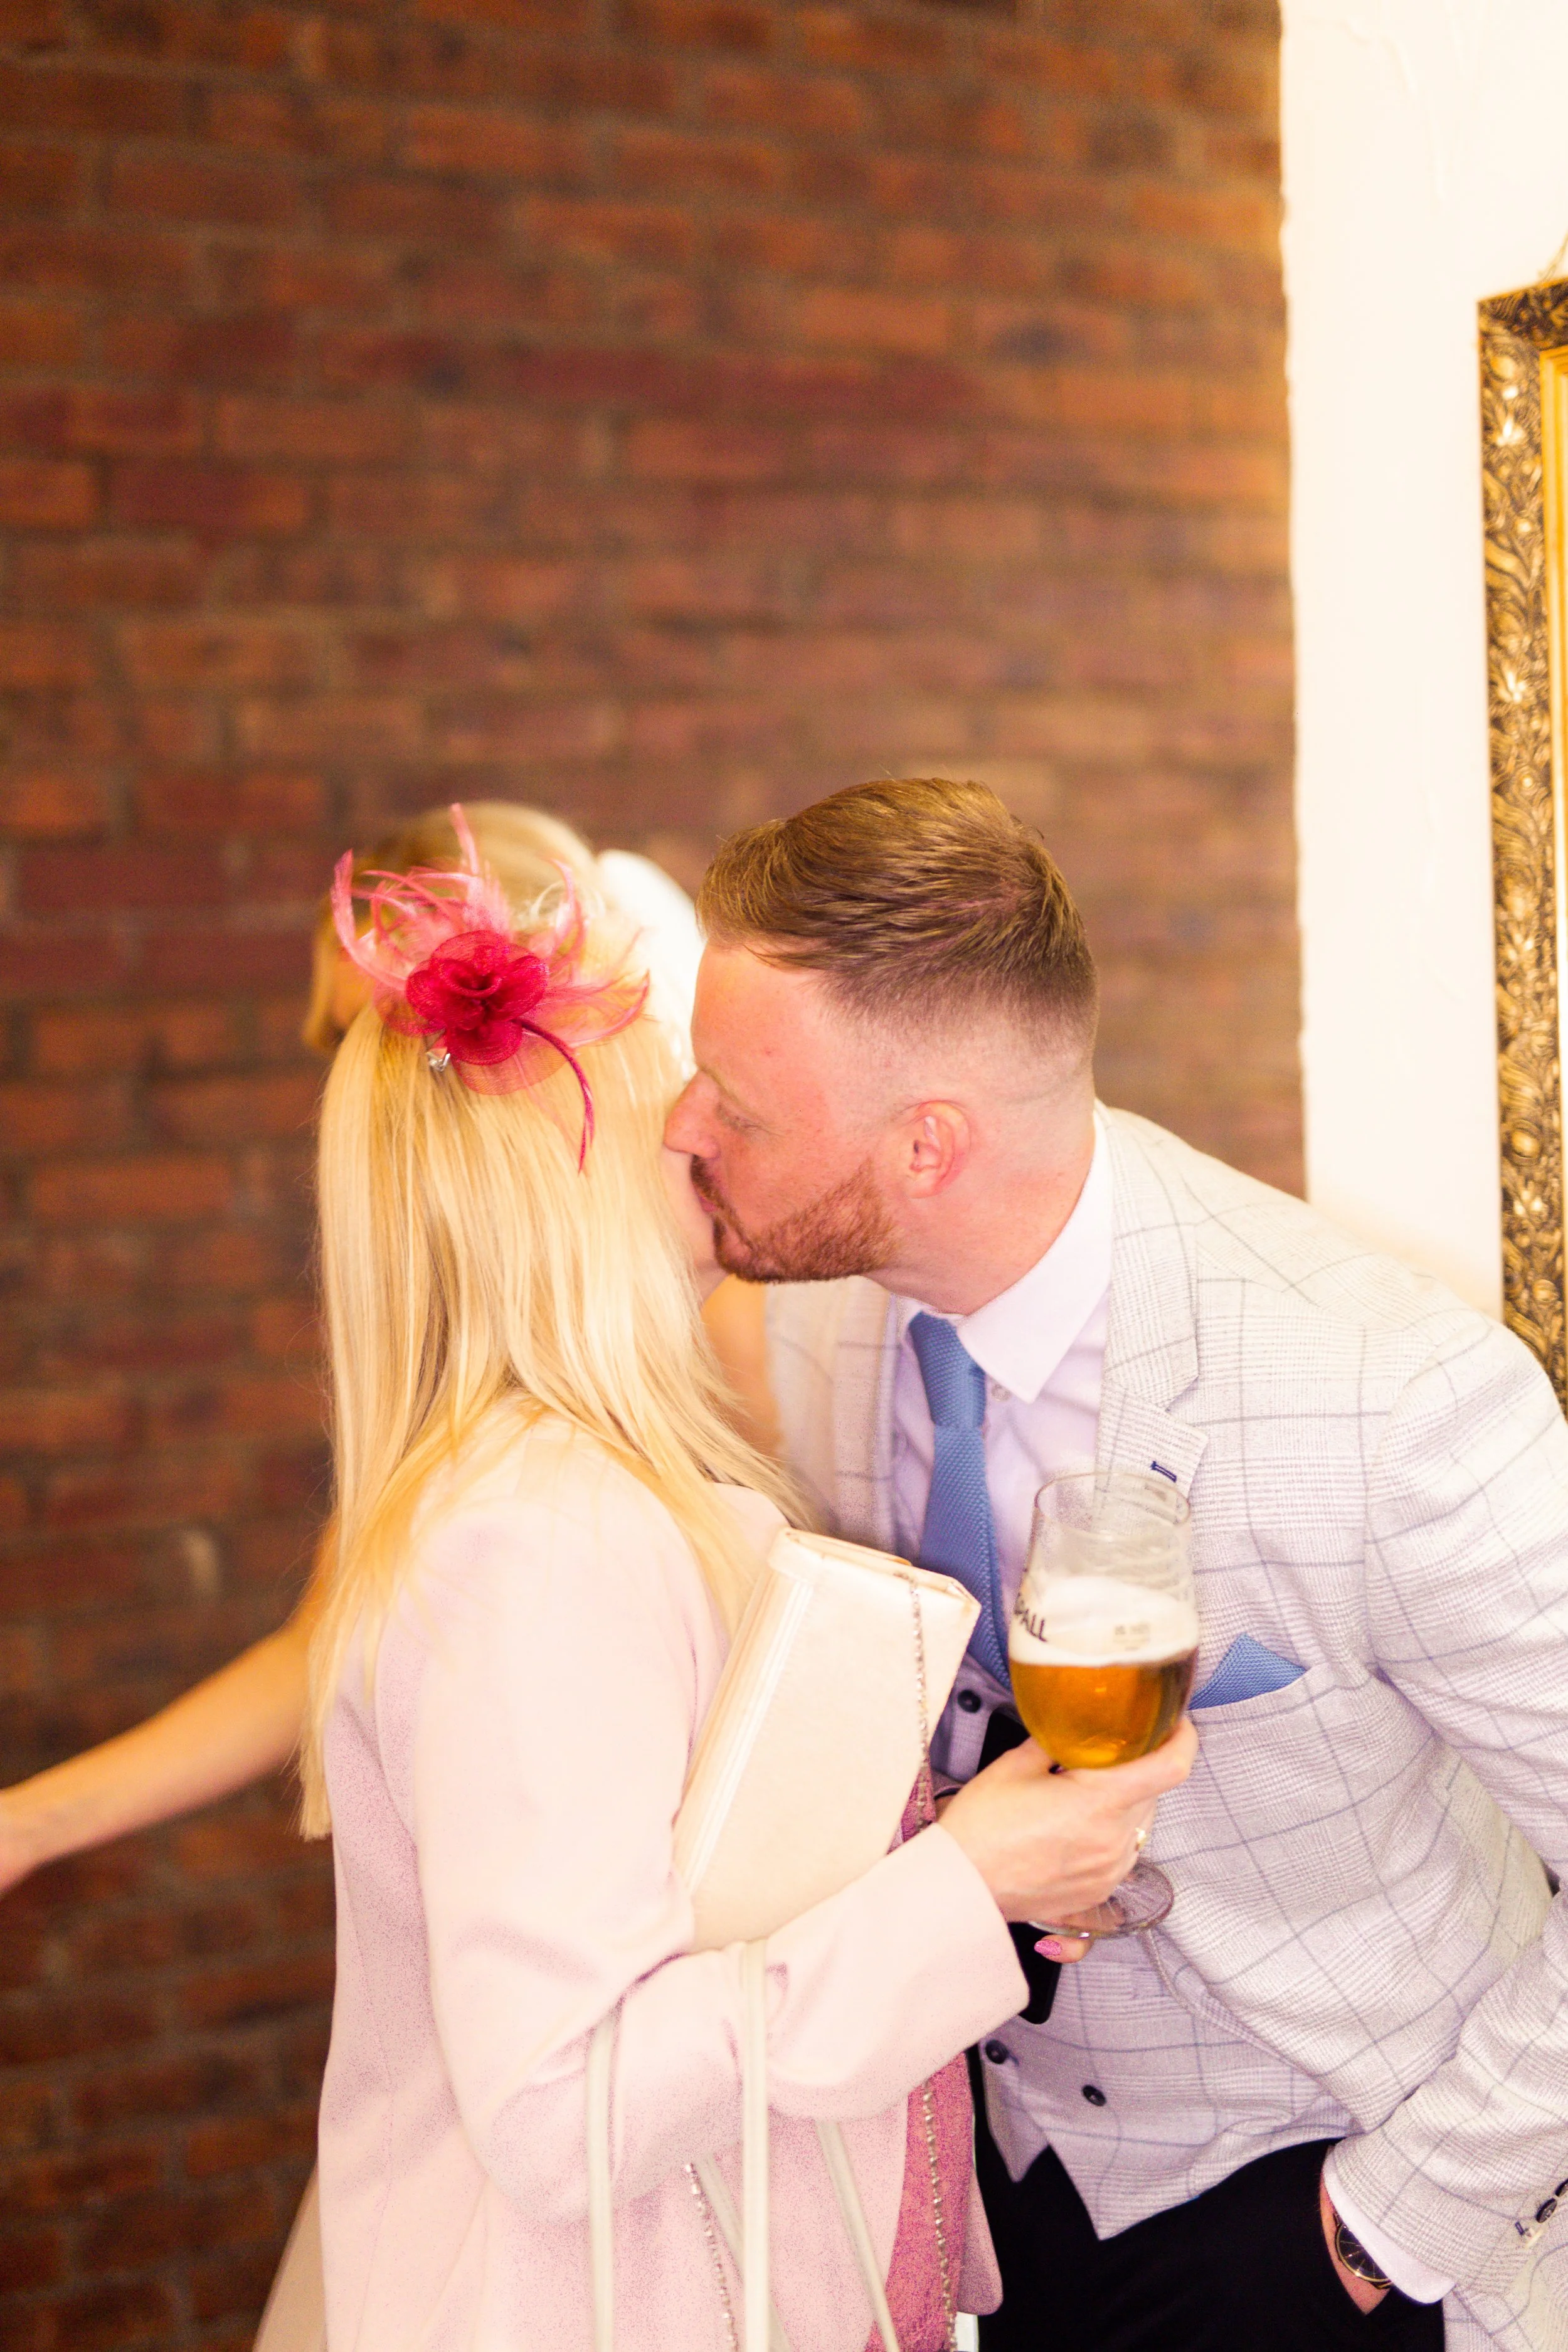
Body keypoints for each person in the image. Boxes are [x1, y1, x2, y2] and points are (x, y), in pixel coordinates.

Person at [664, 775, 1568, 2352]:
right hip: (998, 2207)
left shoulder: (1390, 1396)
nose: (682, 1130)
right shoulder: (820, 1309)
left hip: (1315, 2202)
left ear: (926, 1144)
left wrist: (1384, 2227)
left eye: (735, 1107)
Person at [303, 810, 1194, 2349]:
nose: (704, 1131)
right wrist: (964, 1882)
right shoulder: (538, 1543)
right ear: (561, 1203)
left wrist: (980, 1882)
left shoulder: (604, 1493)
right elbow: (562, 2105)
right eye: (672, 1102)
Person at [0, 802, 770, 1902]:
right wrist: (31, 1822)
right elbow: (331, 1631)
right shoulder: (492, 1419)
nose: (371, 1076)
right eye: (342, 1042)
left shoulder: (714, 1271)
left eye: (383, 1020)